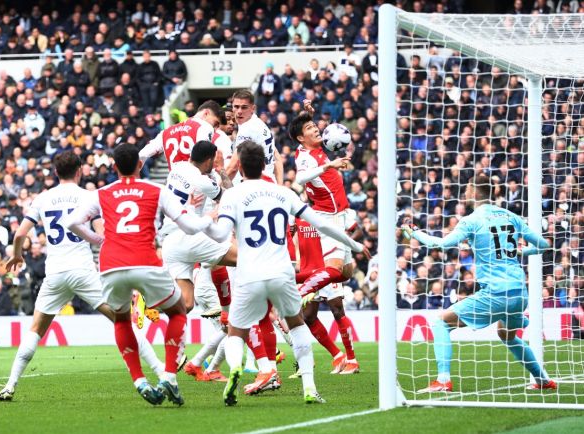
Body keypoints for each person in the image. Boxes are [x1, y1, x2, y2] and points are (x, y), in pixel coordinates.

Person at [204, 141, 370, 406]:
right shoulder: (283, 193)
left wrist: (204, 224)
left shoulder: (232, 196)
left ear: (242, 169)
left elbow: (221, 234)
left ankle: (235, 367)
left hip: (250, 273)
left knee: (236, 331)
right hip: (282, 271)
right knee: (296, 323)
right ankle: (310, 387)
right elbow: (322, 224)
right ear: (263, 166)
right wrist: (355, 245)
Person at [0, 151, 165, 402]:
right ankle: (160, 370)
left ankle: (10, 385)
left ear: (55, 172)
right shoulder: (88, 196)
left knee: (35, 330)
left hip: (55, 273)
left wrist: (18, 255)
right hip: (84, 271)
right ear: (80, 171)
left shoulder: (43, 198)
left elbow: (20, 234)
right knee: (122, 321)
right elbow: (103, 233)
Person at [67, 144, 215, 406]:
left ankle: (139, 379)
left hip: (111, 264)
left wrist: (97, 238)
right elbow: (189, 226)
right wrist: (212, 220)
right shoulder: (156, 190)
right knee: (179, 311)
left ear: (114, 167)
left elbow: (72, 223)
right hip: (145, 261)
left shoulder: (101, 193)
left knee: (122, 320)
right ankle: (169, 375)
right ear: (140, 164)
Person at [401, 173, 556, 393]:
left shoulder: (471, 220)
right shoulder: (511, 216)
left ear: (474, 191)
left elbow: (444, 244)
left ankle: (443, 380)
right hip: (520, 292)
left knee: (441, 323)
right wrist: (522, 250)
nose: (464, 192)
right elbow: (542, 244)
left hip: (495, 292)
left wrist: (416, 233)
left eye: (467, 188)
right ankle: (542, 379)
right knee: (506, 335)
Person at [290, 103, 355, 300]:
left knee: (346, 273)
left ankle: (293, 280)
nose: (316, 128)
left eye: (313, 125)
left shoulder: (307, 147)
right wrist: (329, 165)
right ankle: (296, 294)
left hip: (340, 213)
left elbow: (300, 129)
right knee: (334, 269)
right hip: (329, 216)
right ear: (302, 138)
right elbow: (300, 178)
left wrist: (307, 115)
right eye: (310, 128)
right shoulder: (306, 158)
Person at [161, 140, 234, 313]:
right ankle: (229, 312)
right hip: (188, 236)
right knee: (244, 257)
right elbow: (229, 198)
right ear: (209, 161)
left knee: (185, 304)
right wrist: (221, 169)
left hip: (170, 240)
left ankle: (151, 300)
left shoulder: (176, 169)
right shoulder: (202, 181)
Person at [295, 218, 360, 374]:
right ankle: (338, 356)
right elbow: (288, 239)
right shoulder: (296, 215)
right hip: (308, 272)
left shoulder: (329, 215)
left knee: (337, 311)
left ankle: (352, 360)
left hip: (328, 268)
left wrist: (346, 243)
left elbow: (355, 227)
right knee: (309, 317)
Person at [139, 99, 222, 169]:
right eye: (215, 123)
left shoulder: (166, 131)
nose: (216, 128)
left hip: (173, 182)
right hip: (194, 182)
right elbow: (204, 156)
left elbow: (142, 154)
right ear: (206, 113)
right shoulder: (205, 127)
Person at [226, 90, 284, 184]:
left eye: (244, 107)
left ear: (253, 108)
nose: (239, 111)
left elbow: (233, 167)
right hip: (270, 182)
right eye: (236, 107)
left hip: (257, 183)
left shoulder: (247, 128)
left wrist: (216, 191)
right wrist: (280, 185)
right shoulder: (259, 123)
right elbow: (276, 157)